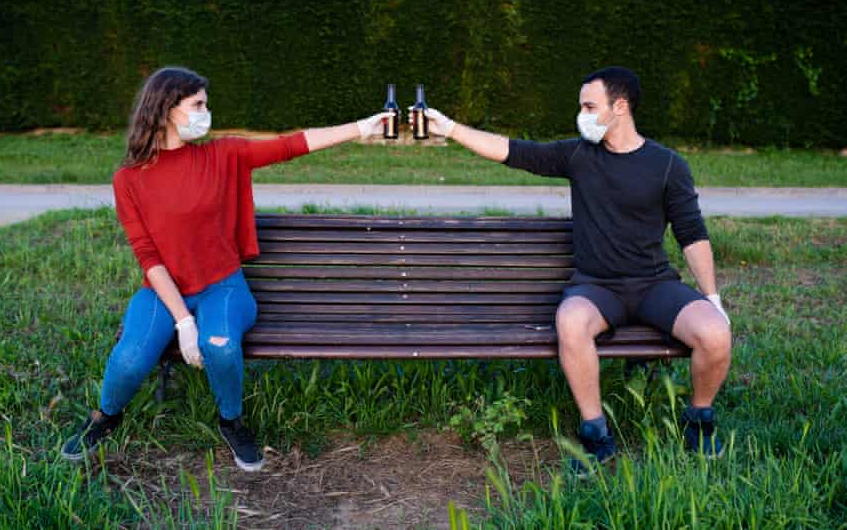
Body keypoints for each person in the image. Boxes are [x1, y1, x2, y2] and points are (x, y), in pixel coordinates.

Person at [61, 67, 391, 471]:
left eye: (205, 103)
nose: (206, 112)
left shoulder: (223, 154)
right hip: (164, 293)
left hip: (223, 285)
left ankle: (230, 420)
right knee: (130, 359)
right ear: (167, 109)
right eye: (197, 104)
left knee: (220, 347)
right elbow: (148, 256)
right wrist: (183, 322)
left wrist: (361, 127)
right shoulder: (128, 179)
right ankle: (106, 416)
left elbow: (291, 145)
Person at [413, 66, 732, 476]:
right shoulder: (578, 154)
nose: (581, 114)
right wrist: (451, 128)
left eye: (589, 106)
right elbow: (514, 151)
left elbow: (693, 235)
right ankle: (595, 434)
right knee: (570, 320)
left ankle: (699, 420)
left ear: (620, 107)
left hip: (654, 285)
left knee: (716, 332)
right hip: (597, 287)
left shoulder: (668, 165)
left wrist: (712, 299)